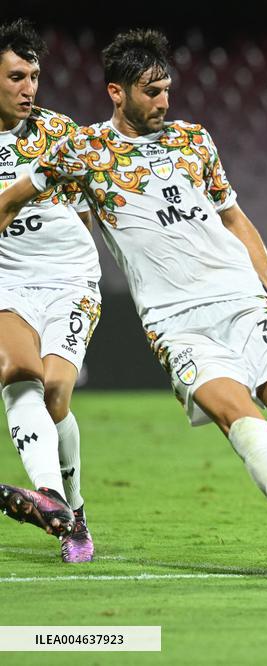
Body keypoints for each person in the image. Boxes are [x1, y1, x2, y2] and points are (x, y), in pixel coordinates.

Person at [0, 29, 267, 579]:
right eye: (151, 92)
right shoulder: (83, 151)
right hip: (176, 326)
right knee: (248, 431)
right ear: (116, 93)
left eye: (167, 89)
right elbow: (10, 201)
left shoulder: (194, 141)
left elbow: (234, 218)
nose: (164, 102)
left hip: (244, 303)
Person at [0, 19, 100, 563]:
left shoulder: (60, 132)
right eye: (17, 76)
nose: (29, 88)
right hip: (8, 281)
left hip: (70, 281)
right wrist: (32, 181)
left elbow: (87, 211)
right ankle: (56, 505)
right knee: (19, 376)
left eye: (34, 76)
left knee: (57, 394)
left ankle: (74, 509)